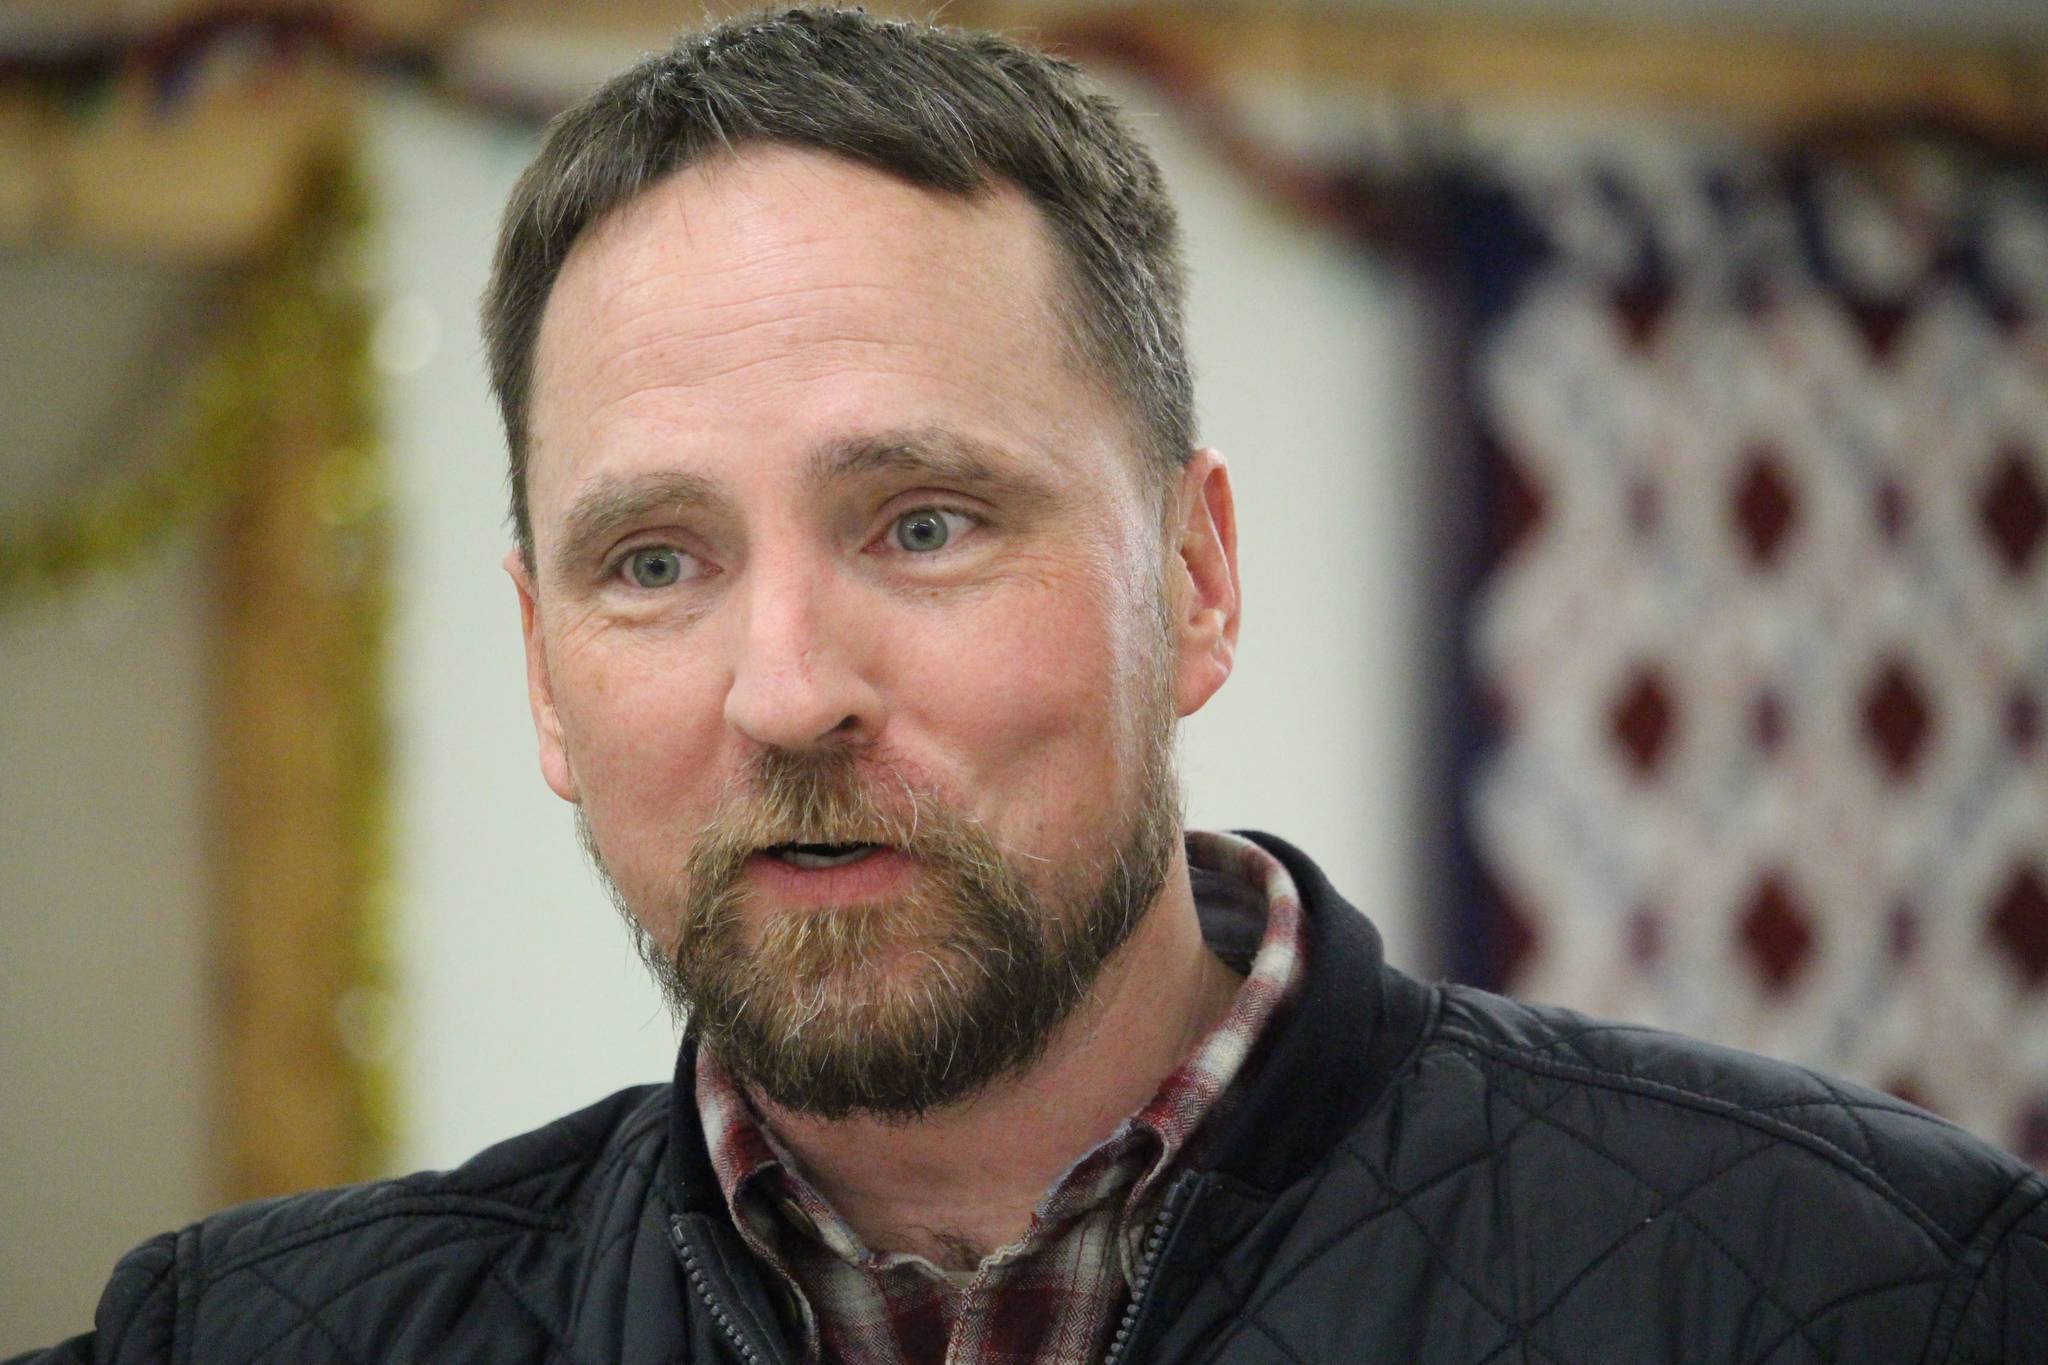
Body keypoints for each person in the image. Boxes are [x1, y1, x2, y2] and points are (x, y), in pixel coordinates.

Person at [16, 8, 2047, 1363]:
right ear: (546, 671)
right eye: (654, 562)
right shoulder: (253, 1334)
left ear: (1193, 576)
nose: (786, 687)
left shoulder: (1872, 1292)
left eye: (919, 522)